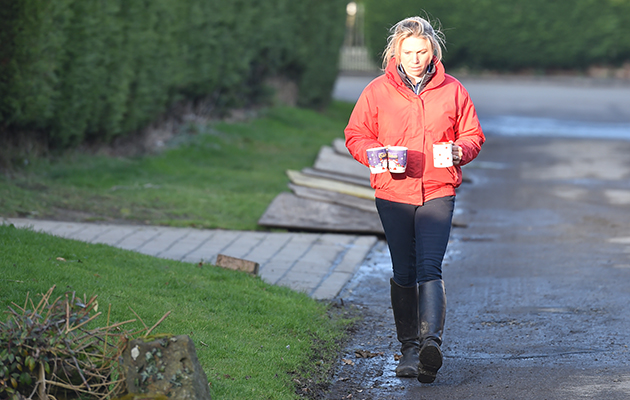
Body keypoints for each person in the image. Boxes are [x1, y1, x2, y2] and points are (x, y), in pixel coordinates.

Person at [344, 16, 485, 384]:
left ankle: (429, 345)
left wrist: (459, 150)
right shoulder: (376, 91)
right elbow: (355, 133)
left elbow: (473, 134)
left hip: (438, 190)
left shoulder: (453, 90)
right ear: (396, 52)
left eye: (422, 51)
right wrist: (375, 153)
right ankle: (408, 348)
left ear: (432, 51)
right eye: (409, 52)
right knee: (403, 272)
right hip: (393, 193)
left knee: (430, 268)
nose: (416, 58)